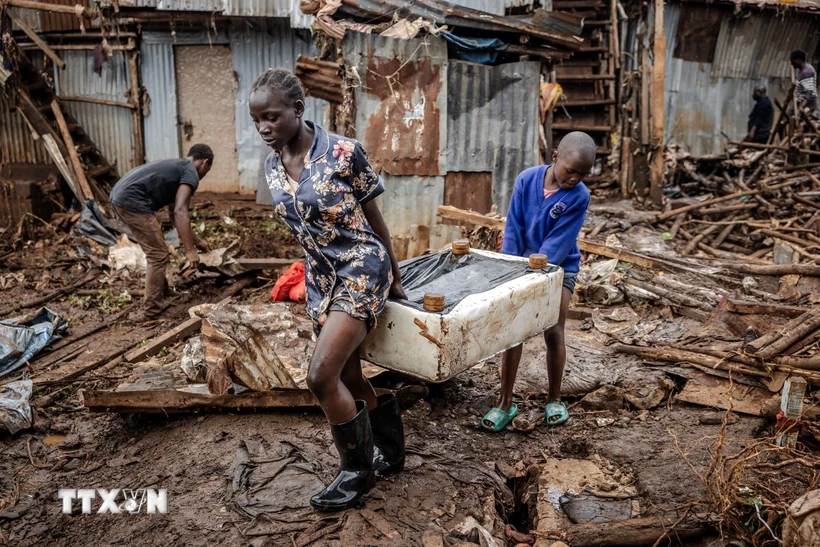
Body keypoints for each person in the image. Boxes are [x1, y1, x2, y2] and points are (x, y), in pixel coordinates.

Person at [249, 68, 406, 511]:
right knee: (351, 376)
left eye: (273, 117)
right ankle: (390, 452)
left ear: (298, 111)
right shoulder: (272, 164)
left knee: (321, 376)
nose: (264, 128)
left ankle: (357, 473)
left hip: (361, 268)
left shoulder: (343, 152)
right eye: (257, 120)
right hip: (321, 279)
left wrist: (395, 278)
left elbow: (375, 220)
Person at [482, 131, 594, 432]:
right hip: (519, 265)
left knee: (554, 329)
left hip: (559, 268)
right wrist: (510, 267)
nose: (575, 179)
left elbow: (559, 243)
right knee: (513, 333)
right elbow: (514, 227)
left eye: (583, 174)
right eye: (571, 171)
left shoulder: (579, 196)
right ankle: (505, 401)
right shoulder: (526, 180)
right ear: (555, 157)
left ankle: (554, 398)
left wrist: (537, 272)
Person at [109, 145, 213, 320]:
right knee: (157, 254)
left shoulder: (179, 168)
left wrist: (197, 241)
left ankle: (161, 294)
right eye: (207, 170)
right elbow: (181, 212)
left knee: (158, 252)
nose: (204, 174)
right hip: (132, 200)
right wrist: (190, 250)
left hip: (121, 196)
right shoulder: (191, 173)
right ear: (205, 163)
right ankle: (151, 311)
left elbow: (174, 214)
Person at [791, 49, 818, 115]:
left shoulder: (807, 72)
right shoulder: (802, 70)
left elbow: (808, 93)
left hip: (808, 106)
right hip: (800, 103)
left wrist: (801, 107)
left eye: (793, 61)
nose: (791, 63)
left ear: (799, 60)